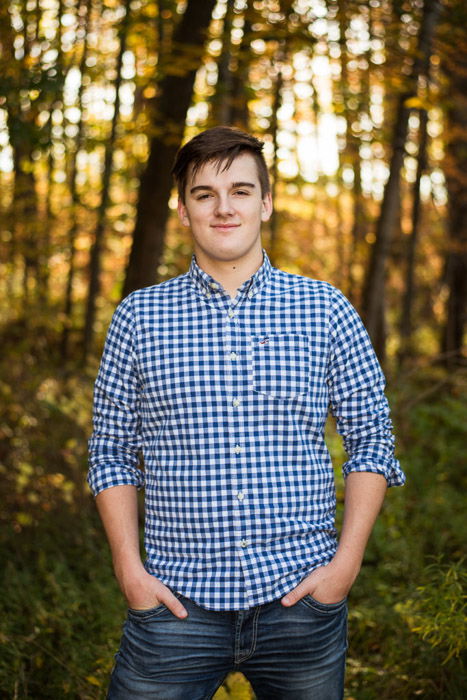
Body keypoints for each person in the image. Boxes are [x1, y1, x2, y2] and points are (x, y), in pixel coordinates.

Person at [88, 126, 405, 700]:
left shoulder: (325, 310)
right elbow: (111, 452)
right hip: (173, 605)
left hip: (302, 600)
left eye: (239, 190)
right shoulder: (139, 317)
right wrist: (129, 573)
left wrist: (344, 568)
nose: (223, 207)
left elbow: (373, 438)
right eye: (204, 194)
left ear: (265, 202)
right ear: (184, 210)